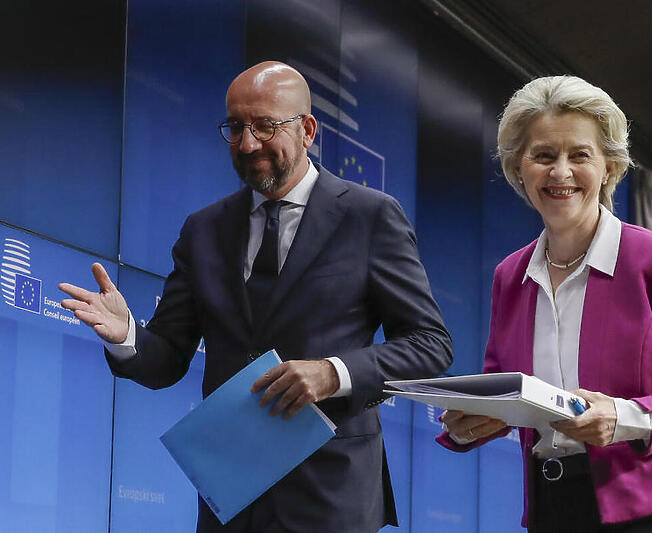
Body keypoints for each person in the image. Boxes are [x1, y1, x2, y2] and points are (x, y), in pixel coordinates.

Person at [59, 61, 452, 533]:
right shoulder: (202, 230)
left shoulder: (370, 217)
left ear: (307, 129)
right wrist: (126, 336)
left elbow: (430, 343)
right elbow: (166, 361)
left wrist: (334, 373)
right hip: (231, 495)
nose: (247, 144)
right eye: (235, 127)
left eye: (265, 126)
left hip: (331, 494)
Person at [435, 75, 652, 532]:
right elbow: (507, 388)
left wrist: (624, 418)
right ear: (519, 168)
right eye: (543, 156)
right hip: (552, 505)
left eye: (580, 155)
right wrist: (471, 422)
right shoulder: (510, 276)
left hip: (651, 511)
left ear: (610, 168)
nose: (560, 173)